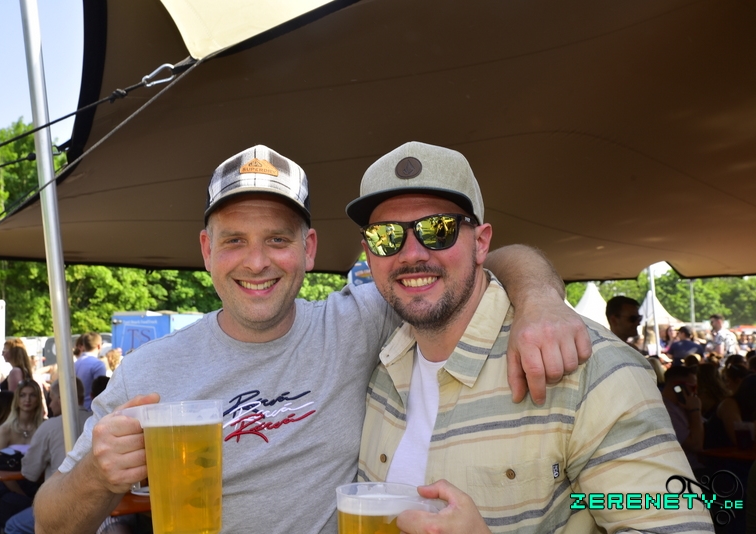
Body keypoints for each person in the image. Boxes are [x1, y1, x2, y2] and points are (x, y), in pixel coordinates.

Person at [34, 145, 591, 534]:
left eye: (278, 239)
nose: (257, 262)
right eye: (234, 240)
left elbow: (479, 261)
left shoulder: (359, 321)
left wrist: (540, 300)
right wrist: (95, 476)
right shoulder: (149, 372)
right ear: (206, 250)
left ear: (310, 250)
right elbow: (49, 524)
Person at [348, 142, 712, 532]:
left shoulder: (588, 367)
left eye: (438, 230)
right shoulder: (377, 363)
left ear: (481, 243)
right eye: (385, 236)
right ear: (368, 253)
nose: (410, 254)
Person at [3, 379, 93, 534]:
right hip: (98, 500)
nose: (50, 405)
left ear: (60, 398)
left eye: (51, 398)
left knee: (13, 525)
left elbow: (29, 472)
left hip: (62, 503)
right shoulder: (97, 421)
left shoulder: (49, 426)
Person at [661, 366, 704, 472]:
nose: (695, 392)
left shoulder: (681, 406)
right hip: (687, 471)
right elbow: (696, 445)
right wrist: (695, 411)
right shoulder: (665, 412)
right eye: (692, 387)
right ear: (678, 387)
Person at [0, 379, 45, 449]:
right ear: (17, 399)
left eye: (32, 395)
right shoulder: (5, 430)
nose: (27, 399)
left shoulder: (45, 428)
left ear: (38, 400)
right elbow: (0, 455)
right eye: (22, 395)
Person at [74, 333, 108, 410]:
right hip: (91, 409)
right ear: (99, 346)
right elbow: (100, 391)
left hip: (75, 408)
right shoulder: (98, 364)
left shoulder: (75, 363)